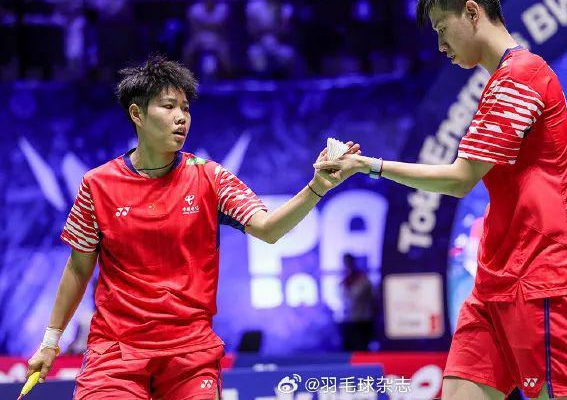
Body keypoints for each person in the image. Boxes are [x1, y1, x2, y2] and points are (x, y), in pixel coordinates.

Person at [315, 0, 567, 400]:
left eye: (442, 29)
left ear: (471, 11)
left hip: (542, 282)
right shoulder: (499, 84)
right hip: (495, 284)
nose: (441, 46)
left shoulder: (522, 77)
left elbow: (460, 179)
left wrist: (369, 165)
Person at [25, 55, 358, 399]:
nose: (181, 117)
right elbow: (78, 268)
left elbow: (268, 228)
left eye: (185, 108)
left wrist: (316, 187)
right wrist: (50, 342)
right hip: (116, 352)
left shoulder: (210, 177)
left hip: (190, 355)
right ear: (137, 114)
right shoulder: (98, 184)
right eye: (168, 106)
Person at [183, 0, 232, 77]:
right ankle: (186, 78)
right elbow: (194, 29)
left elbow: (222, 27)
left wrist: (203, 24)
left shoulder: (223, 8)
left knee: (226, 52)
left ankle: (229, 77)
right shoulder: (194, 9)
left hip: (219, 39)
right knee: (188, 50)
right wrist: (213, 25)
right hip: (198, 39)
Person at [339, 253, 376, 351]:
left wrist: (346, 287)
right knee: (348, 349)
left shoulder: (363, 279)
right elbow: (343, 299)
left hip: (362, 319)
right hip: (349, 319)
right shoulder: (345, 280)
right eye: (344, 263)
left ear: (353, 262)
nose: (346, 265)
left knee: (362, 347)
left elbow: (355, 296)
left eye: (348, 262)